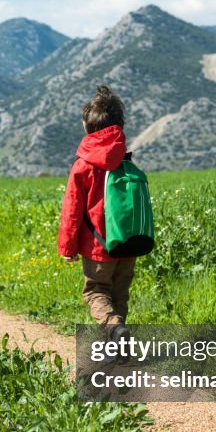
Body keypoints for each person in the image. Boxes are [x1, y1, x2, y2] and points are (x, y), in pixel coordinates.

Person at [57, 85, 134, 342]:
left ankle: (113, 330)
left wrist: (67, 248)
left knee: (96, 292)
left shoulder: (83, 166)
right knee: (120, 296)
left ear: (88, 128)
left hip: (99, 248)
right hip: (128, 245)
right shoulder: (127, 161)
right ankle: (119, 343)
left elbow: (72, 210)